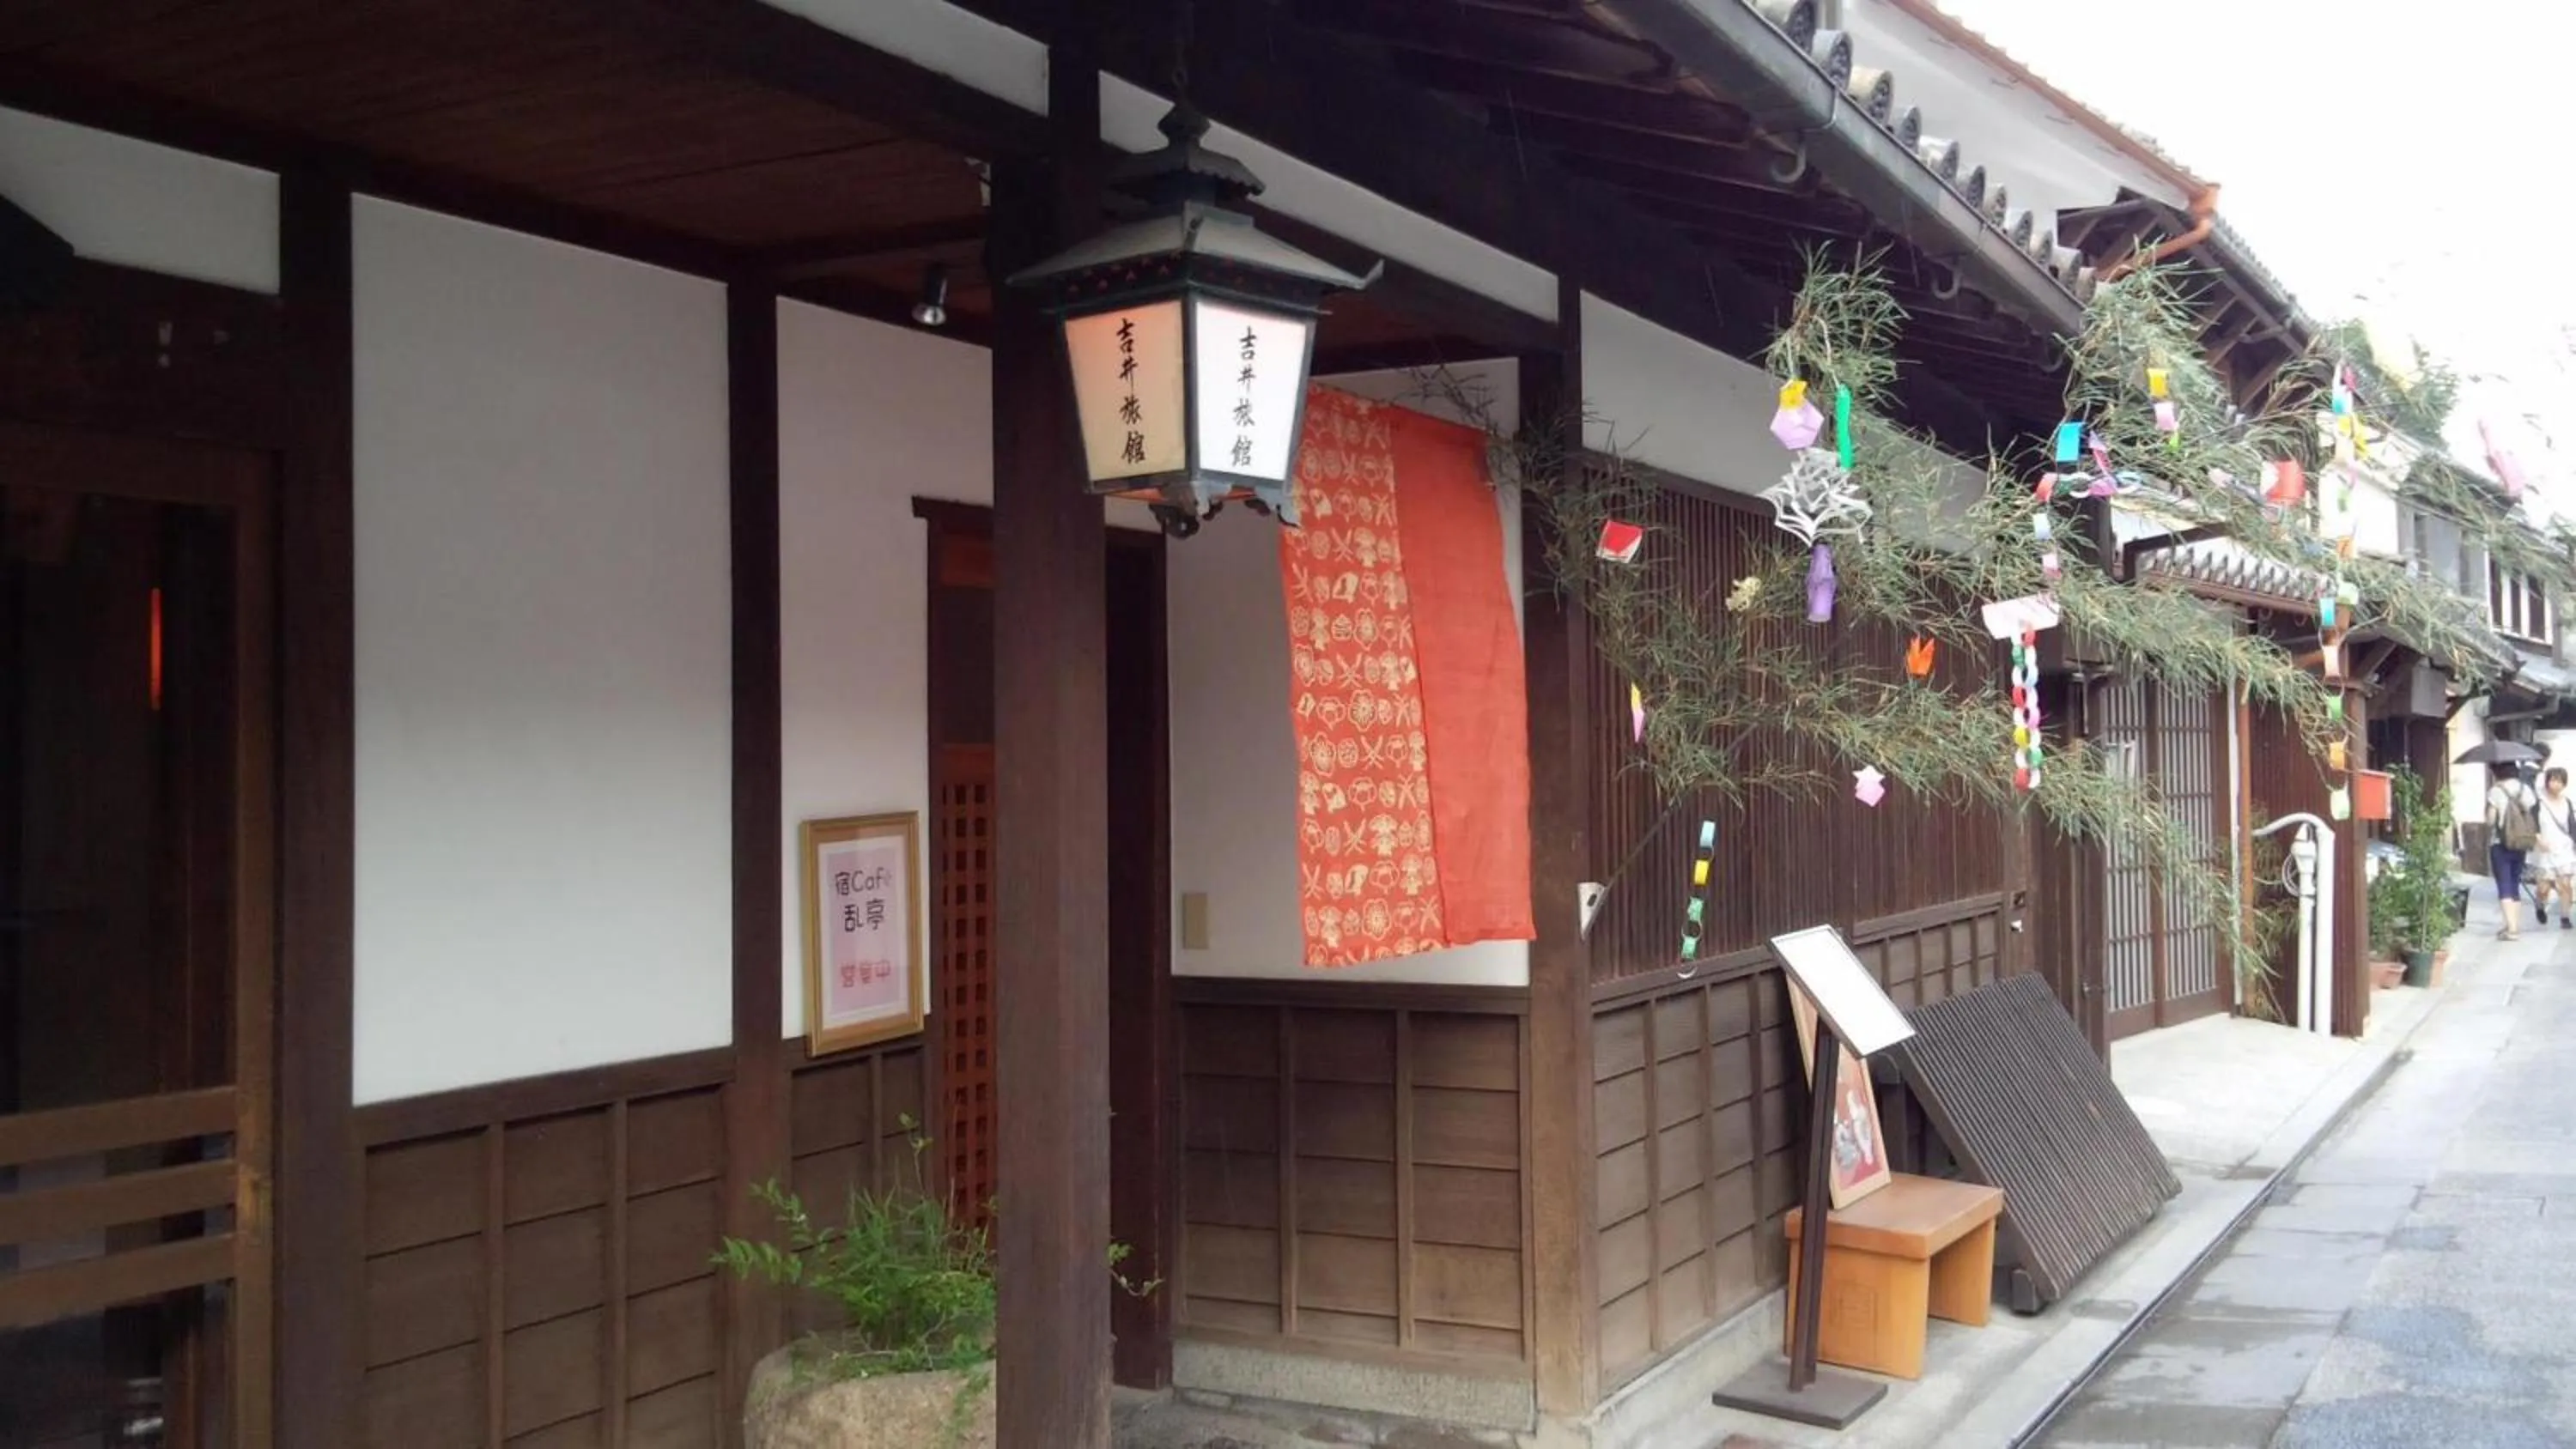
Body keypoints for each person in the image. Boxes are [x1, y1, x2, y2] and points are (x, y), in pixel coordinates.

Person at [2488, 761, 2541, 940]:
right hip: (2521, 842)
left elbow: (2490, 820)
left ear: (2496, 771)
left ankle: (2511, 930)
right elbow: (2532, 812)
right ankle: (2513, 925)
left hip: (2500, 843)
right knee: (2515, 884)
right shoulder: (2525, 790)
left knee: (2504, 885)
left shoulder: (2496, 791)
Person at [2539, 767, 2576, 931]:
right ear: (2547, 781)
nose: (2556, 784)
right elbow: (2531, 823)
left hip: (2564, 848)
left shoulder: (2567, 802)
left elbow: (2572, 826)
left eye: (2559, 781)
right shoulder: (2539, 802)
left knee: (2566, 884)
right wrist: (2538, 838)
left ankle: (2565, 917)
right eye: (2553, 780)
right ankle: (2540, 904)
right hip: (2545, 850)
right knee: (2543, 888)